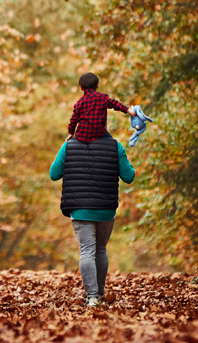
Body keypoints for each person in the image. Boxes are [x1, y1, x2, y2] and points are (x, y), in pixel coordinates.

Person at [49, 131, 136, 307]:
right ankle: (100, 293)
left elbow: (54, 174)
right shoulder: (115, 146)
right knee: (101, 249)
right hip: (106, 210)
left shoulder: (69, 146)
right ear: (103, 123)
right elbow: (129, 176)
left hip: (80, 209)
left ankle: (93, 297)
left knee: (87, 251)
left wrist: (66, 147)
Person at [67, 72, 135, 143]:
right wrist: (127, 109)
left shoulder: (79, 103)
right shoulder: (102, 98)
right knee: (114, 144)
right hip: (99, 133)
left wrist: (71, 133)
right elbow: (115, 103)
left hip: (82, 135)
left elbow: (73, 120)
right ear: (97, 85)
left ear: (81, 87)